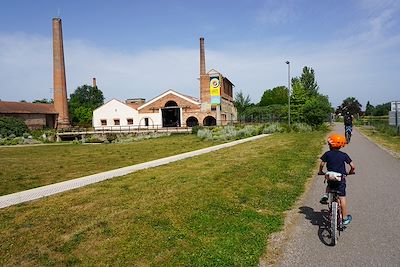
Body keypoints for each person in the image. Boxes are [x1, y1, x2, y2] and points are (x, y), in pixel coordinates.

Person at [318, 133, 355, 226]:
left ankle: (326, 195)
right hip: (340, 178)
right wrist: (350, 171)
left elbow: (322, 164)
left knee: (329, 186)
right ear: (341, 145)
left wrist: (320, 171)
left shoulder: (327, 154)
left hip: (330, 177)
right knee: (342, 198)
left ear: (330, 145)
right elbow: (353, 166)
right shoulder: (344, 155)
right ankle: (344, 218)